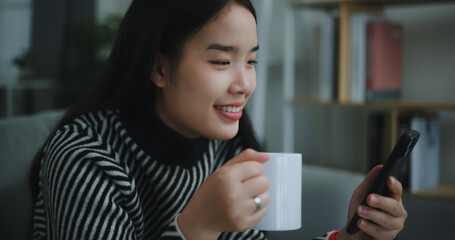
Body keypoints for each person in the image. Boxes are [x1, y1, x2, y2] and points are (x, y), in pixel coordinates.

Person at [29, 0, 407, 239]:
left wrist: (349, 239)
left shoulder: (227, 146)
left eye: (251, 61)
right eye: (222, 61)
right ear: (158, 67)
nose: (244, 83)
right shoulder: (86, 158)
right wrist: (197, 228)